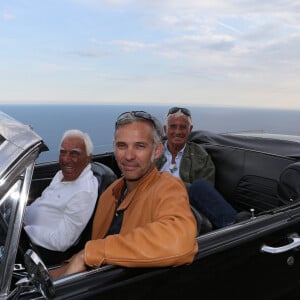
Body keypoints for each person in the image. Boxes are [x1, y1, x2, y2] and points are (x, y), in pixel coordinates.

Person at [50, 110, 198, 278]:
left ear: (156, 151)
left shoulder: (167, 186)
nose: (128, 156)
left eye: (140, 146)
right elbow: (89, 255)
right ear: (114, 147)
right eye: (122, 146)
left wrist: (89, 254)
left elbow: (179, 241)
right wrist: (54, 275)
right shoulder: (109, 194)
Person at [24, 129, 99, 265]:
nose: (66, 159)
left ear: (89, 158)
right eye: (63, 152)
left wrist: (24, 230)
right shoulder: (61, 175)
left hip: (38, 250)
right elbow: (43, 204)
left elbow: (62, 242)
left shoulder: (83, 192)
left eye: (74, 153)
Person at [155, 107, 238, 229]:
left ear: (190, 130)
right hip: (154, 199)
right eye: (173, 126)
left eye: (183, 127)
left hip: (185, 204)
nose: (177, 131)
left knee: (199, 186)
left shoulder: (200, 155)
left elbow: (205, 192)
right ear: (165, 129)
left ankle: (234, 226)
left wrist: (172, 185)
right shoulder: (152, 150)